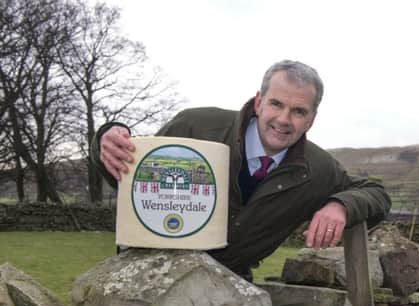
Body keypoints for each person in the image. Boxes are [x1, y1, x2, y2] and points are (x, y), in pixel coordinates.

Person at [92, 60, 391, 279]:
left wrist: (340, 205)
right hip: (145, 278)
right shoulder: (195, 126)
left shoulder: (319, 170)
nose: (284, 119)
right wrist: (107, 139)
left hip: (229, 291)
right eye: (276, 104)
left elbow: (376, 194)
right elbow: (129, 174)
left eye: (299, 111)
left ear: (311, 119)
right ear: (259, 102)